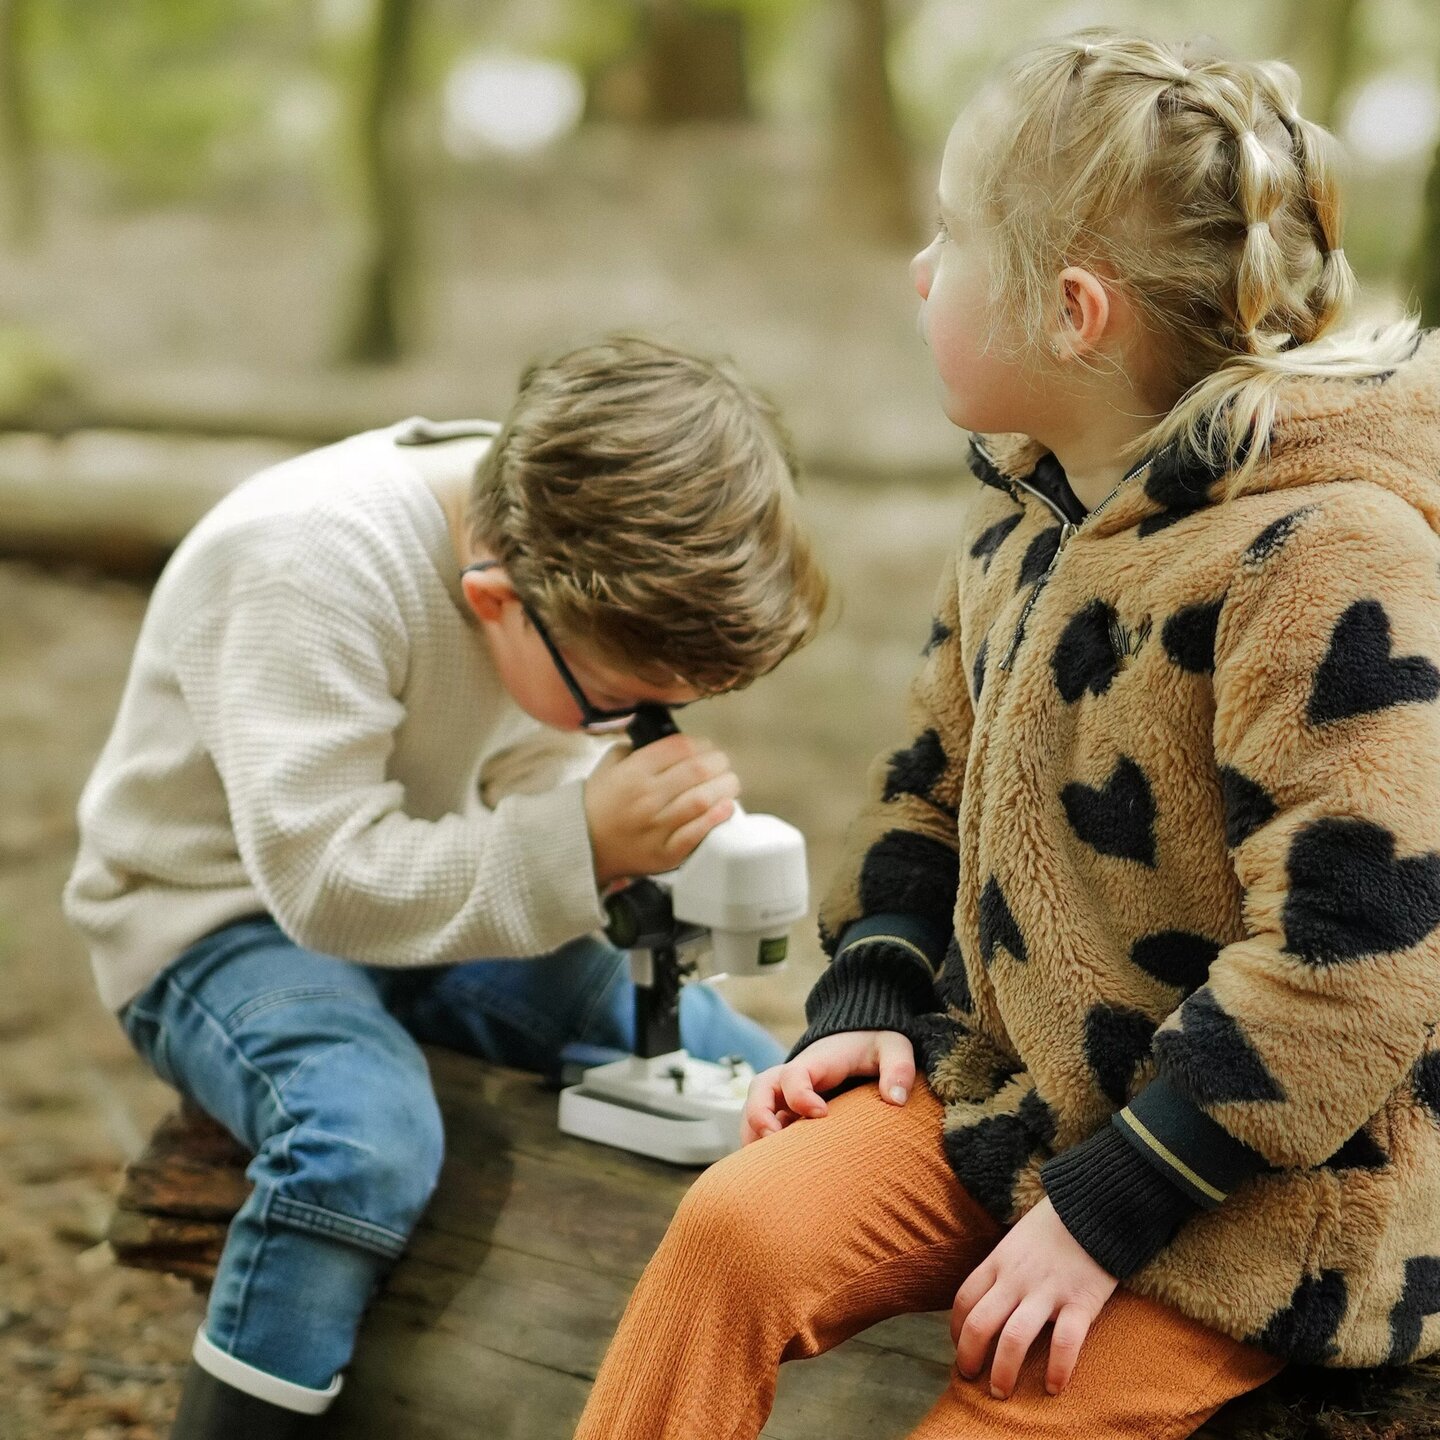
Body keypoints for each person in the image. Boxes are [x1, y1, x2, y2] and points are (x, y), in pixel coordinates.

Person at [575, 32, 1440, 1440]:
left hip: (1251, 1191)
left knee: (1011, 1399)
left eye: (951, 243)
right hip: (1016, 1103)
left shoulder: (1329, 554)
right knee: (735, 1236)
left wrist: (1105, 1218)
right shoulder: (1026, 520)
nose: (918, 271)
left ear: (1075, 314)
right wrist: (871, 999)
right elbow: (927, 798)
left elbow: (1361, 961)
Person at [62, 334, 828, 1438]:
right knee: (360, 1139)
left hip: (432, 885)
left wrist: (619, 848)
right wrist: (583, 836)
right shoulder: (306, 565)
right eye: (620, 707)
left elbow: (528, 763)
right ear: (493, 597)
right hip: (218, 914)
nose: (634, 732)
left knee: (737, 1072)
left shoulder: (559, 550)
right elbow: (326, 884)